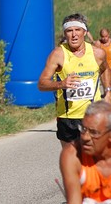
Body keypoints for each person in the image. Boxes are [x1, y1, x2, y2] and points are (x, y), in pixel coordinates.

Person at [38, 13, 111, 147]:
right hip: (67, 118)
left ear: (84, 32)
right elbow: (42, 84)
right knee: (72, 163)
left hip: (92, 116)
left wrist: (108, 92)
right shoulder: (58, 55)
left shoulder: (97, 53)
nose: (74, 34)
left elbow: (105, 69)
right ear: (65, 34)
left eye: (77, 30)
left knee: (94, 161)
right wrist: (61, 84)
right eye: (69, 31)